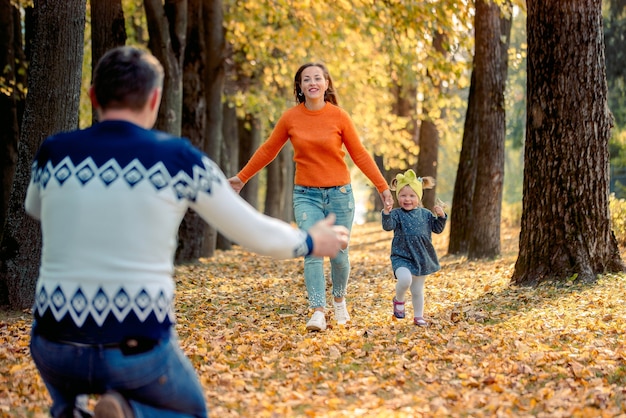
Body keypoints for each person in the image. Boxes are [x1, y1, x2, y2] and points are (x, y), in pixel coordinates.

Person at [25, 46, 349, 418]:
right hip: (136, 343)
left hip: (54, 340)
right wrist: (309, 241)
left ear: (93, 96)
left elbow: (35, 208)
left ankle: (72, 410)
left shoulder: (53, 153)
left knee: (67, 395)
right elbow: (250, 229)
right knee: (191, 411)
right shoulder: (177, 159)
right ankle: (130, 414)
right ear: (155, 98)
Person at [228, 62, 394, 332]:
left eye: (318, 78)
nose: (312, 83)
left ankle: (339, 300)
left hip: (340, 194)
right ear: (300, 86)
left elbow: (360, 154)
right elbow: (268, 149)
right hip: (306, 195)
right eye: (307, 79)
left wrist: (382, 186)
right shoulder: (291, 118)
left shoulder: (339, 117)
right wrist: (242, 177)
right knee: (312, 250)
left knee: (339, 255)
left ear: (326, 84)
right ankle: (318, 310)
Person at [381, 169, 447, 326]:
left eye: (412, 196)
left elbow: (437, 229)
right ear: (398, 197)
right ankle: (399, 300)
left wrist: (441, 216)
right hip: (401, 256)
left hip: (422, 256)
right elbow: (388, 226)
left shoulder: (425, 214)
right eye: (403, 196)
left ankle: (418, 316)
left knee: (417, 289)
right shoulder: (397, 214)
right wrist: (386, 212)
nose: (407, 199)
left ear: (418, 197)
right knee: (405, 279)